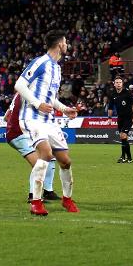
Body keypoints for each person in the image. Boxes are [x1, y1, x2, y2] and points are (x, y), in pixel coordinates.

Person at [15, 34, 80, 215]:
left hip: (48, 120)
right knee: (46, 154)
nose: (67, 45)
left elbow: (51, 99)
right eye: (66, 42)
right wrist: (37, 104)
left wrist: (65, 109)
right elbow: (19, 85)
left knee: (66, 161)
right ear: (59, 44)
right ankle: (36, 202)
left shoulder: (57, 69)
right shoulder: (40, 62)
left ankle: (67, 199)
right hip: (32, 117)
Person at [5, 93, 58, 206]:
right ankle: (32, 196)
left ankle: (48, 191)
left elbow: (6, 117)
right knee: (39, 164)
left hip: (17, 133)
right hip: (18, 135)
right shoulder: (31, 94)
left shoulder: (18, 94)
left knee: (49, 156)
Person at [105, 77, 133, 163]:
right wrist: (109, 118)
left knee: (123, 135)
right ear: (114, 84)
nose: (118, 84)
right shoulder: (113, 95)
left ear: (122, 84)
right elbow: (110, 107)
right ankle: (126, 157)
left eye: (120, 82)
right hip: (120, 117)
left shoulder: (127, 93)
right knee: (123, 137)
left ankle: (126, 158)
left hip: (128, 117)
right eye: (117, 82)